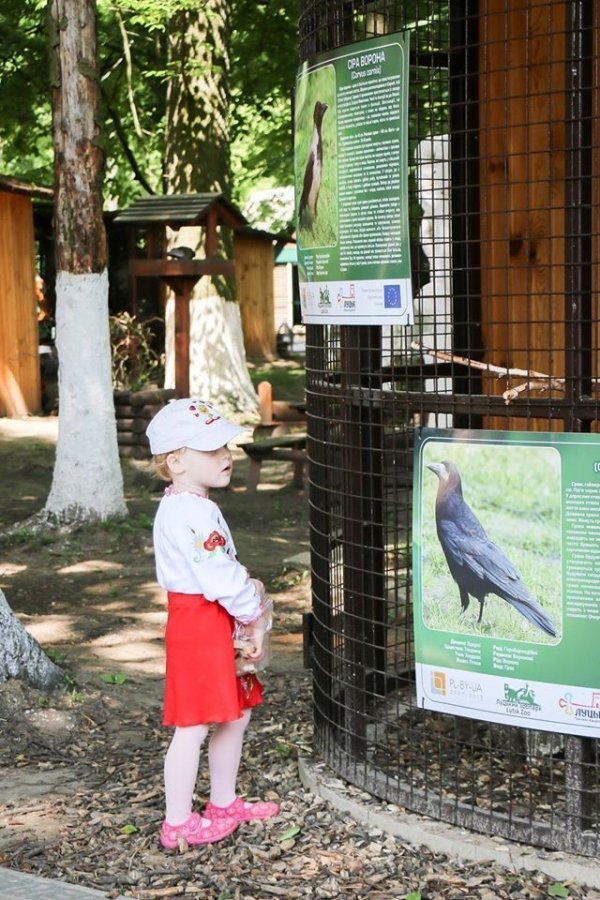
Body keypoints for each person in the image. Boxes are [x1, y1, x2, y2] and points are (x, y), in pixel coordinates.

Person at [146, 398, 279, 850]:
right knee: (195, 724)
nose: (226, 455)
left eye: (226, 446)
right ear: (176, 461)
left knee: (234, 716)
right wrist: (252, 613)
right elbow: (217, 574)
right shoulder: (189, 512)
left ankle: (223, 803)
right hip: (201, 625)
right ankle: (178, 822)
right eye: (212, 449)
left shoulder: (190, 505)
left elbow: (220, 568)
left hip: (213, 619)